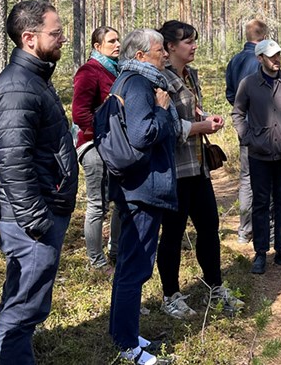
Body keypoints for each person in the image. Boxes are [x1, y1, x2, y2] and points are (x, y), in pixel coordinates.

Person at [0, 0, 79, 365]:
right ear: (29, 38)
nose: (62, 38)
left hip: (39, 213)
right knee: (22, 308)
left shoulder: (32, 79)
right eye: (55, 33)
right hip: (30, 220)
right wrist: (37, 221)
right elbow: (13, 165)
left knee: (29, 302)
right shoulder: (16, 88)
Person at [156, 20, 244, 319]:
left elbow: (191, 112)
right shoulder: (159, 78)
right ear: (169, 47)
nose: (193, 46)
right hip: (172, 169)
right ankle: (170, 295)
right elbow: (163, 125)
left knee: (209, 227)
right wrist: (200, 126)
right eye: (187, 42)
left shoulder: (190, 74)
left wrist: (207, 118)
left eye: (194, 40)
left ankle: (214, 286)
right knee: (172, 233)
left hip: (198, 166)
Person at [107, 29, 180, 365]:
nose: (165, 54)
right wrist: (163, 111)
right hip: (142, 189)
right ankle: (127, 346)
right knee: (135, 268)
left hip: (136, 187)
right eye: (159, 50)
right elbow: (142, 134)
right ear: (140, 56)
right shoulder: (137, 84)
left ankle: (125, 333)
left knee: (129, 266)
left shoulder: (128, 80)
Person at [232, 39, 281, 274]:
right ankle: (260, 253)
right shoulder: (249, 84)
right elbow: (238, 113)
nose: (276, 60)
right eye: (272, 56)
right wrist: (248, 138)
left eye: (278, 55)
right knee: (261, 204)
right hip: (259, 155)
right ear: (260, 58)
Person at [72, 26, 122, 273]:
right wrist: (103, 134)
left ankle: (116, 252)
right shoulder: (89, 71)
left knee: (120, 201)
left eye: (118, 40)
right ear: (97, 46)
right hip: (93, 146)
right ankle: (97, 262)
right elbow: (80, 113)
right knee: (97, 204)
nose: (117, 44)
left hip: (115, 147)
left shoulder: (114, 69)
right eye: (111, 41)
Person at [225, 19, 268, 244]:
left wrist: (241, 112)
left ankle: (244, 230)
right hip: (264, 128)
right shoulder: (264, 59)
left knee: (246, 178)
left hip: (244, 127)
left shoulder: (234, 60)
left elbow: (231, 94)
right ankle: (266, 230)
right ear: (264, 36)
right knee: (266, 178)